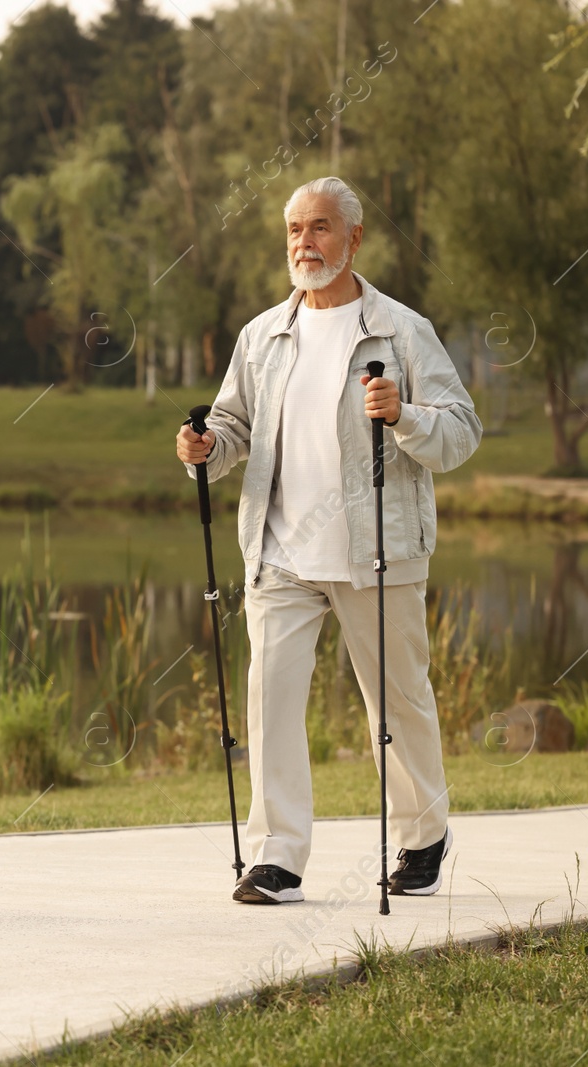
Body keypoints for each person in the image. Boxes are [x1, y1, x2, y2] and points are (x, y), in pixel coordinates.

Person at [175, 176, 481, 905]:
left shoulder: (401, 331)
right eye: (294, 230)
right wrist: (204, 446)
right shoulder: (262, 336)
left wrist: (404, 414)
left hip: (377, 549)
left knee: (397, 700)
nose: (304, 243)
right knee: (271, 699)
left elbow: (462, 429)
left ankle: (422, 836)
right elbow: (233, 427)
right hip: (280, 552)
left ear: (354, 238)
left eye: (318, 228)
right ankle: (277, 855)